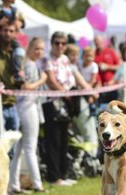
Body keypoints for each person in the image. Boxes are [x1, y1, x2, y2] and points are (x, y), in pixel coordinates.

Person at [41, 31, 90, 186]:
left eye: (63, 43)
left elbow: (74, 77)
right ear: (52, 43)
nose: (60, 46)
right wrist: (64, 92)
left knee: (64, 139)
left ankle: (62, 173)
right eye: (57, 43)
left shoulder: (65, 60)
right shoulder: (47, 60)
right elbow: (51, 80)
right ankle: (54, 176)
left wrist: (84, 90)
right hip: (53, 102)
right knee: (53, 140)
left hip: (67, 103)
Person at [8, 37, 47, 195]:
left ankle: (14, 185)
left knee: (17, 149)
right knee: (30, 148)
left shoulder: (26, 64)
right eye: (36, 48)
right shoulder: (29, 65)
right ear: (29, 48)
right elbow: (27, 87)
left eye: (42, 49)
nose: (39, 52)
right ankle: (37, 184)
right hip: (28, 107)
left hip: (21, 106)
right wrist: (42, 79)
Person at [0, 0, 25, 86]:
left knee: (20, 50)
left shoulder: (15, 10)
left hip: (11, 38)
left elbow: (23, 23)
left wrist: (20, 23)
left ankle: (17, 73)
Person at [94, 34, 120, 105]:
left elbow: (119, 67)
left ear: (102, 41)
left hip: (113, 86)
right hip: (101, 88)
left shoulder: (110, 52)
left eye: (98, 41)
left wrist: (107, 67)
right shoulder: (93, 54)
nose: (97, 43)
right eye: (95, 42)